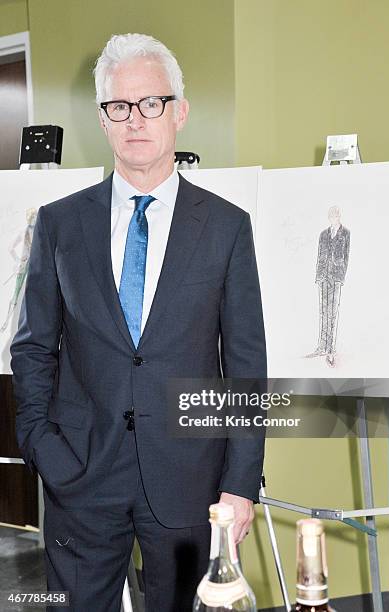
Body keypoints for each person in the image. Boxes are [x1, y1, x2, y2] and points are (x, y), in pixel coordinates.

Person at [10, 33, 267, 612]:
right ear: (103, 119)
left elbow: (247, 366)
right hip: (79, 478)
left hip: (192, 483)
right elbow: (33, 349)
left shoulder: (227, 228)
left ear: (179, 112)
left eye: (150, 103)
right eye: (118, 107)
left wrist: (240, 481)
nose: (135, 120)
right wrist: (41, 445)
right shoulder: (58, 225)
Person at [305, 205, 350, 367]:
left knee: (333, 312)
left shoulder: (345, 233)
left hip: (336, 277)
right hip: (323, 276)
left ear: (339, 216)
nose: (333, 219)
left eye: (335, 216)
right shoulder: (323, 234)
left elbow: (346, 257)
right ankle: (321, 346)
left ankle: (331, 348)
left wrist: (341, 277)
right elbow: (319, 255)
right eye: (331, 216)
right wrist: (318, 276)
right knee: (323, 311)